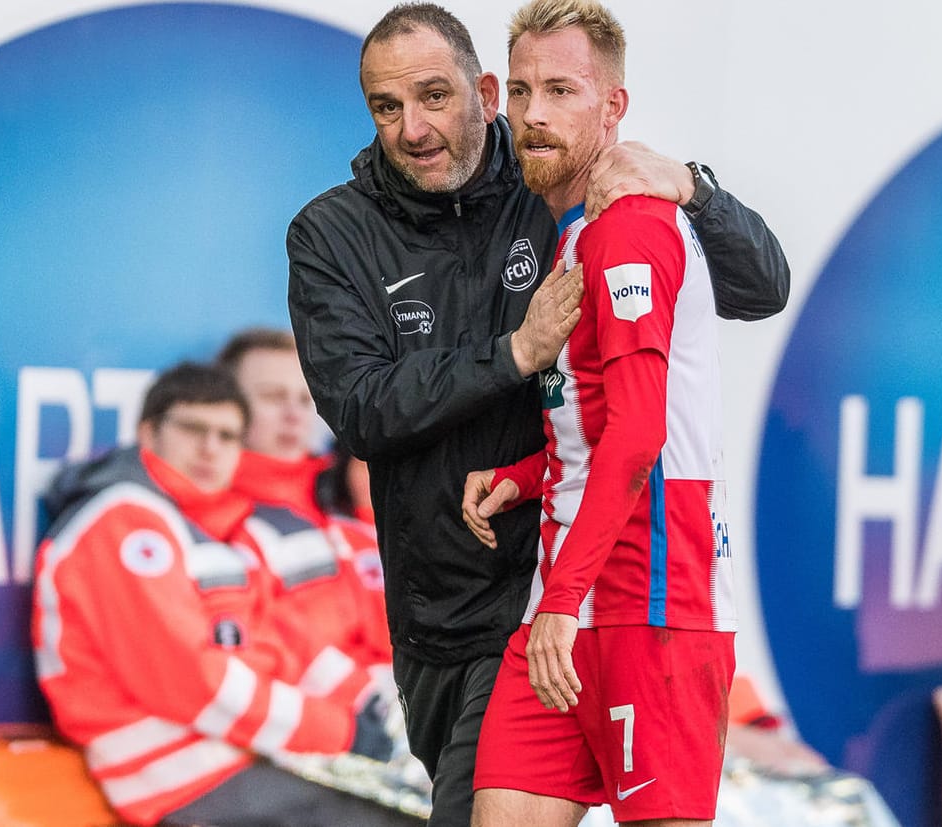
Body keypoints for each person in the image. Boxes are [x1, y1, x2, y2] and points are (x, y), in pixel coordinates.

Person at [285, 4, 789, 824]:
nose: (413, 127)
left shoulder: (560, 190)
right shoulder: (332, 233)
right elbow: (360, 410)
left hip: (576, 592)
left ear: (481, 95)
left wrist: (694, 187)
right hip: (440, 614)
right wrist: (513, 357)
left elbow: (756, 291)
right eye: (386, 106)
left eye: (435, 96)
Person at [459, 2, 736, 823]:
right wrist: (522, 477)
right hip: (568, 602)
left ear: (613, 107)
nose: (534, 114)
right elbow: (596, 422)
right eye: (519, 90)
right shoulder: (573, 233)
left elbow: (643, 434)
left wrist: (559, 601)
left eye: (560, 91)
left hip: (649, 607)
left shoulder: (630, 229)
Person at [30, 362, 413, 827]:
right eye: (194, 430)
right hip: (177, 775)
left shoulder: (207, 526)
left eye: (228, 436)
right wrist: (339, 730)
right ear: (149, 434)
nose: (210, 449)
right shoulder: (123, 522)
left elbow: (278, 648)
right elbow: (188, 680)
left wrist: (375, 714)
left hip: (241, 755)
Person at [217, 327, 393, 687]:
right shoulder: (219, 519)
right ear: (227, 409)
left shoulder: (348, 493)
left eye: (304, 398)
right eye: (272, 397)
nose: (293, 414)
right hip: (338, 719)